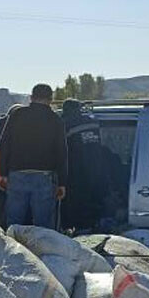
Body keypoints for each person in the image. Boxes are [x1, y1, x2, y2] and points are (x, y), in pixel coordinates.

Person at [0, 84, 67, 229]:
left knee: (14, 224)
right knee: (44, 227)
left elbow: (4, 144)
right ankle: (42, 251)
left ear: (31, 97)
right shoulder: (56, 120)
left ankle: (12, 249)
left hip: (16, 174)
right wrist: (62, 182)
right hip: (44, 177)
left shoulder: (17, 115)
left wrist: (3, 173)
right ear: (50, 99)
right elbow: (62, 152)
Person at [60, 99, 103, 231]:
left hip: (75, 171)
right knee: (93, 199)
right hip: (97, 167)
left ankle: (79, 229)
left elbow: (60, 150)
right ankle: (92, 225)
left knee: (76, 203)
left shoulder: (66, 124)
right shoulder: (92, 121)